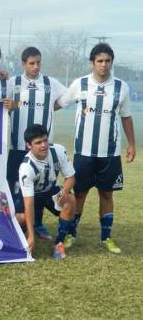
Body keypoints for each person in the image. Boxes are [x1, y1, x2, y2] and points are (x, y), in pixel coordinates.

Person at [57, 43, 135, 254]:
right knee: (80, 194)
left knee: (107, 195)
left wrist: (131, 144)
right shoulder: (80, 84)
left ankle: (105, 237)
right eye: (100, 61)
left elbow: (126, 117)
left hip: (110, 153)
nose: (104, 65)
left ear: (111, 62)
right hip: (84, 152)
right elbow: (59, 103)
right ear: (92, 62)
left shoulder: (121, 87)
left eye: (107, 61)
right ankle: (72, 234)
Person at [6, 46, 67, 241]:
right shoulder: (12, 82)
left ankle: (38, 224)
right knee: (16, 187)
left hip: (41, 149)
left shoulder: (50, 83)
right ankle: (17, 226)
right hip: (17, 147)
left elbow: (65, 99)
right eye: (31, 63)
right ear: (23, 64)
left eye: (38, 62)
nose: (36, 66)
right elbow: (4, 104)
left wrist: (48, 108)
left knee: (40, 186)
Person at [17, 124, 76, 260]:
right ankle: (31, 232)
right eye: (38, 143)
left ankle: (59, 243)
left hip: (50, 190)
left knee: (70, 200)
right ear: (29, 145)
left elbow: (71, 177)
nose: (43, 145)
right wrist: (31, 236)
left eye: (45, 140)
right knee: (20, 218)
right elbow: (29, 203)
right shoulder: (26, 168)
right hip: (33, 195)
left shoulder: (58, 151)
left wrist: (63, 192)